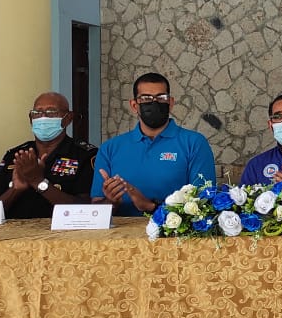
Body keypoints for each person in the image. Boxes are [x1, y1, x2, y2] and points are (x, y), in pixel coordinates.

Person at [91, 73, 216, 215]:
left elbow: (204, 204)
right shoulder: (109, 148)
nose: (154, 103)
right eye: (146, 98)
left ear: (171, 103)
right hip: (121, 229)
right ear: (134, 105)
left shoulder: (194, 143)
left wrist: (150, 206)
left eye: (161, 97)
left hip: (171, 230)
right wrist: (111, 202)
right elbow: (96, 208)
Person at [0, 92, 98, 219]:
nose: (43, 117)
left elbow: (88, 210)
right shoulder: (15, 155)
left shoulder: (85, 155)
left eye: (51, 112)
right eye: (37, 113)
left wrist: (38, 182)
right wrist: (15, 189)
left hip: (60, 231)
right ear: (31, 119)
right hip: (15, 231)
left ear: (68, 118)